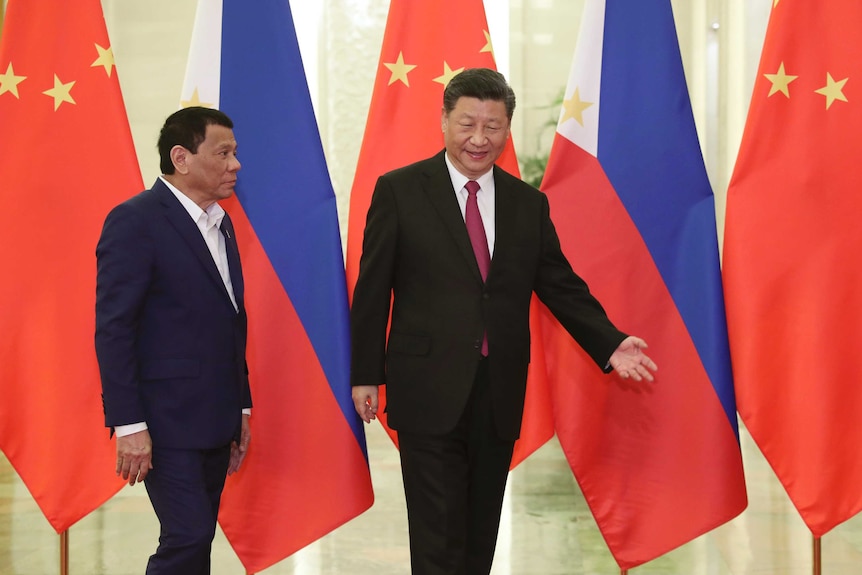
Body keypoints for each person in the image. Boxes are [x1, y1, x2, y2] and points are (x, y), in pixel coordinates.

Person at [350, 68, 657, 575]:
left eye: (493, 126)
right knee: (437, 532)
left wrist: (610, 343)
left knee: (478, 532)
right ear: (444, 121)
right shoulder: (400, 191)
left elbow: (560, 285)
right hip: (426, 386)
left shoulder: (526, 204)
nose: (479, 138)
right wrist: (367, 372)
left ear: (507, 129)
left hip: (497, 390)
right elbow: (372, 287)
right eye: (467, 123)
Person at [95, 106, 252, 574]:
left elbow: (231, 324)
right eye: (223, 153)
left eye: (235, 152)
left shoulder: (221, 222)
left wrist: (241, 406)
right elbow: (114, 329)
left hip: (216, 416)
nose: (235, 164)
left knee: (197, 541)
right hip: (165, 423)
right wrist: (128, 425)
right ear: (181, 158)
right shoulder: (135, 221)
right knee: (187, 537)